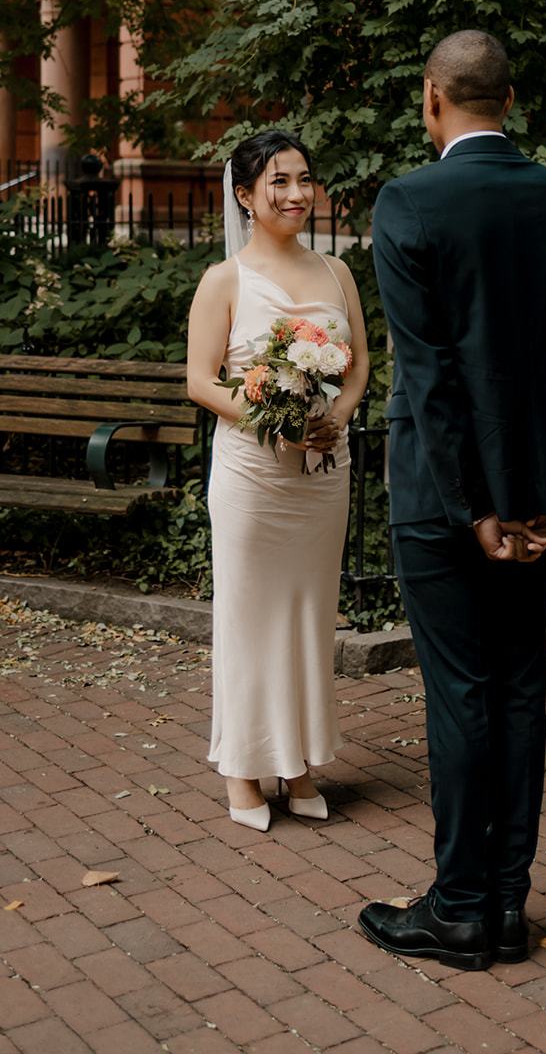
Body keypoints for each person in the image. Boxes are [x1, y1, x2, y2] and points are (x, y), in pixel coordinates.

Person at [358, 30, 546, 972]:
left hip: (443, 500)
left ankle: (462, 909)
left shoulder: (409, 201)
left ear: (433, 97)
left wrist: (472, 506)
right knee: (518, 689)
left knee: (462, 695)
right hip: (539, 500)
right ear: (511, 99)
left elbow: (429, 378)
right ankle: (504, 904)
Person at [187, 129, 369, 829]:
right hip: (253, 476)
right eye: (279, 183)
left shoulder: (336, 273)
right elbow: (200, 381)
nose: (297, 194)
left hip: (324, 470)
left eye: (304, 179)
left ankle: (296, 766)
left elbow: (356, 366)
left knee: (307, 618)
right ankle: (241, 769)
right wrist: (273, 424)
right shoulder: (223, 281)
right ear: (245, 196)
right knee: (248, 618)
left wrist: (341, 415)